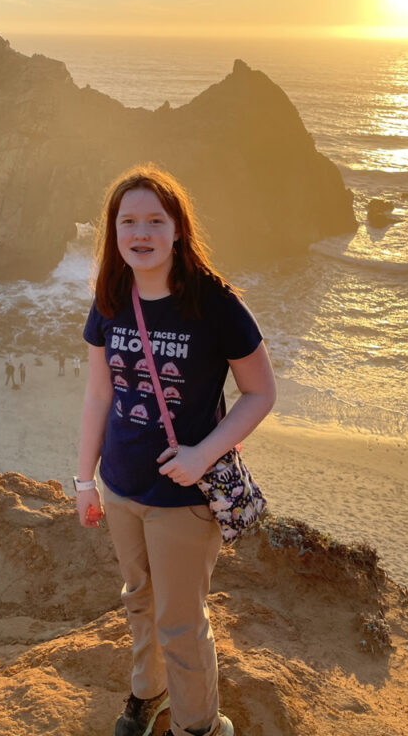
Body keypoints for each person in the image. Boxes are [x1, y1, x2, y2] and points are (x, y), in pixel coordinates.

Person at [75, 164, 276, 736]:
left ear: (178, 229)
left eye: (154, 221)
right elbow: (98, 392)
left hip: (183, 495)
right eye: (128, 221)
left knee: (181, 622)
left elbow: (261, 392)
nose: (141, 233)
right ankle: (149, 695)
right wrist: (85, 479)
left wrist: (203, 455)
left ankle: (199, 727)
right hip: (121, 485)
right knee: (139, 600)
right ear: (114, 233)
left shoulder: (215, 303)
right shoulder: (111, 298)